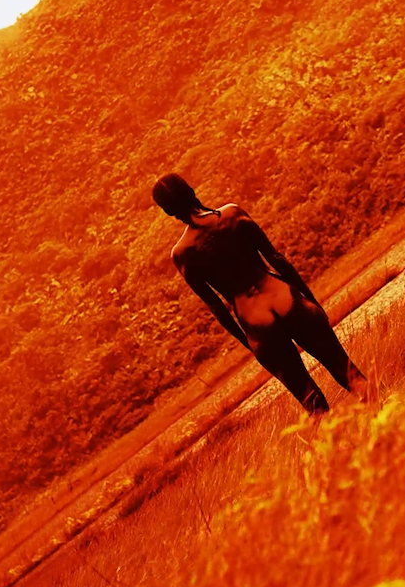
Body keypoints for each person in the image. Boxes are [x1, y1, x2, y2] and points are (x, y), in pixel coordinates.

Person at [152, 173, 366, 415]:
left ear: (168, 212)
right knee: (348, 373)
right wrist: (311, 301)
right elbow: (276, 259)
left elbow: (217, 307)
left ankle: (340, 437)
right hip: (284, 298)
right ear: (191, 190)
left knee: (312, 401)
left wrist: (248, 343)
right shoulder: (232, 214)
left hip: (255, 322)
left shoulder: (182, 253)